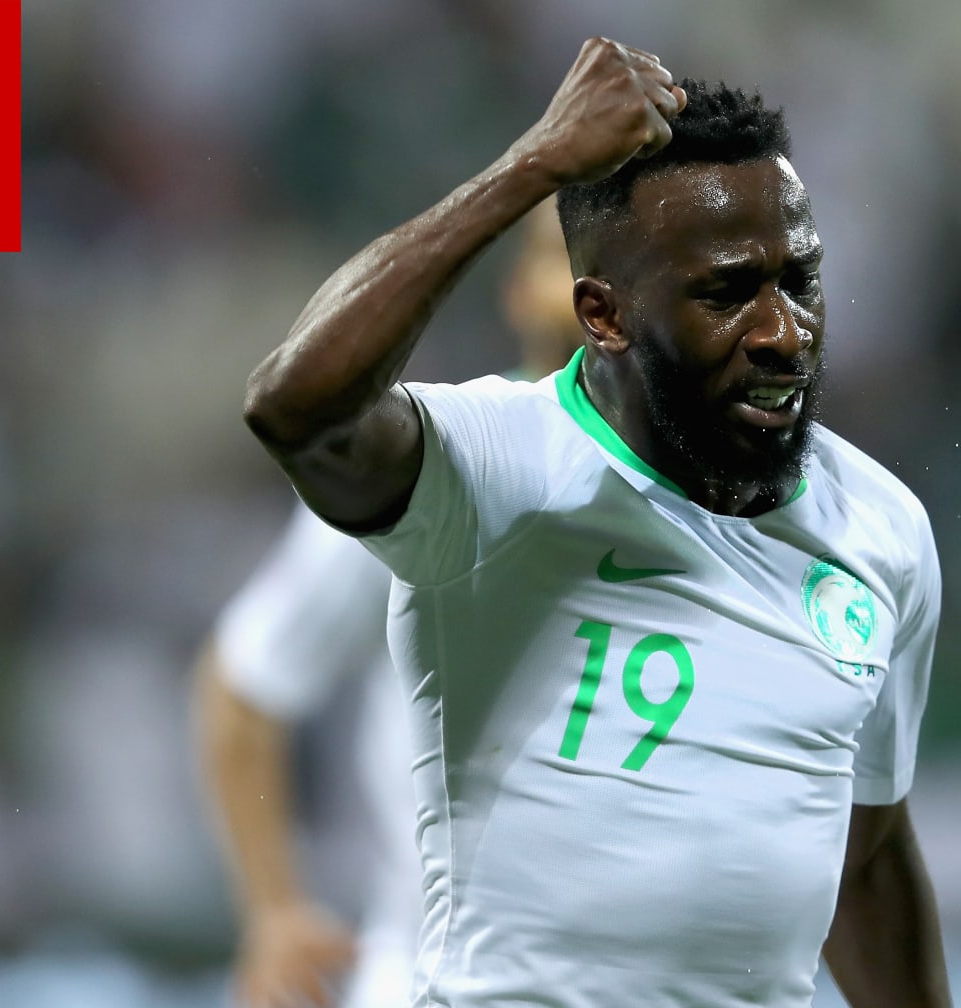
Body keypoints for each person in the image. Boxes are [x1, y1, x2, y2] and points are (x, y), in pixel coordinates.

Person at [240, 38, 950, 1008]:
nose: (783, 332)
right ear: (603, 315)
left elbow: (863, 858)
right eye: (726, 292)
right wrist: (530, 167)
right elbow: (296, 408)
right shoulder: (495, 465)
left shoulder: (883, 530)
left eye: (800, 279)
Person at [197, 204, 585, 1008]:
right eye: (564, 254)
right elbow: (244, 685)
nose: (591, 282)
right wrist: (273, 911)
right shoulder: (430, 465)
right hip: (433, 982)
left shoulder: (723, 500)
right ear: (517, 291)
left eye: (618, 256)